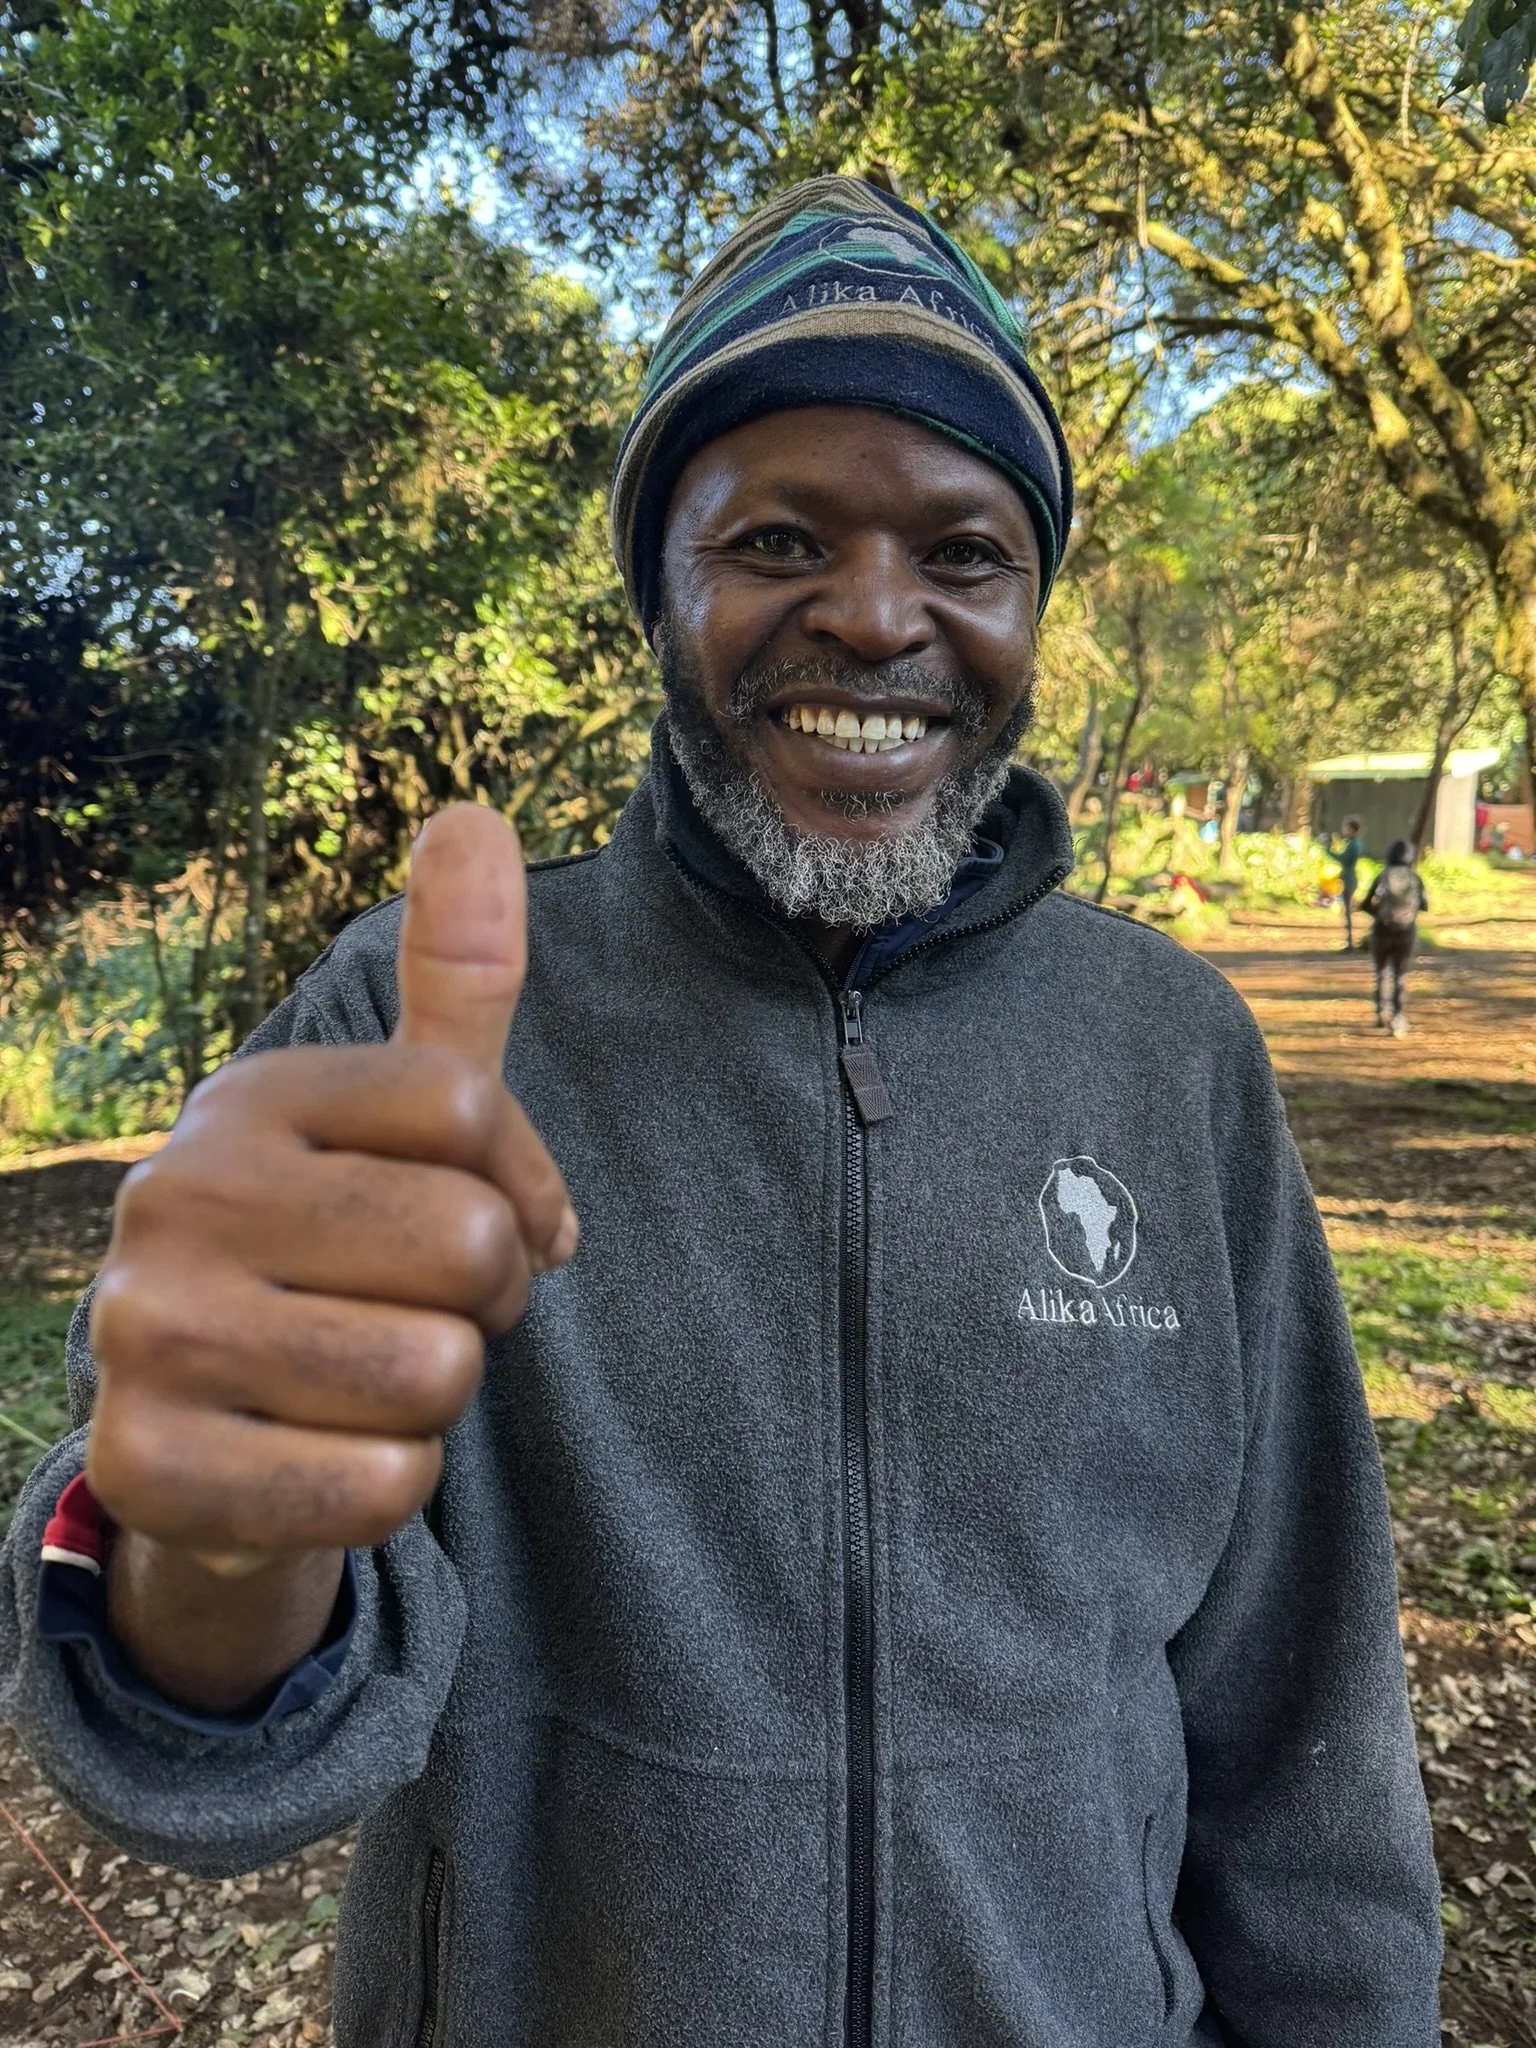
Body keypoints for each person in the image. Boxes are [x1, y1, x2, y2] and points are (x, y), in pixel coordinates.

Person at [1, 178, 1440, 2048]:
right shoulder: (413, 1039)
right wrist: (208, 1542)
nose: (877, 614)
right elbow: (200, 1725)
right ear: (659, 593)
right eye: (777, 537)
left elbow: (1304, 1719)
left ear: (1029, 608)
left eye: (965, 551)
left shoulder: (1172, 1053)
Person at [1362, 836, 1429, 1037]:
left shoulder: (1383, 875)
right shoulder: (1414, 877)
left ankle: (1380, 1012)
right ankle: (1398, 1015)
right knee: (1400, 975)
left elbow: (1366, 903)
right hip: (1406, 932)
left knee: (1381, 973)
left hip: (1382, 930)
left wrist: (1379, 915)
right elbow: (1424, 905)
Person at [1335, 814, 1364, 948]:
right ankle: (1349, 941)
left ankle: (1350, 942)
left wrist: (1327, 850)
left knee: (1347, 912)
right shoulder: (1355, 843)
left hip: (1349, 879)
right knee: (1346, 911)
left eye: (1346, 828)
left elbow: (1342, 859)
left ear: (1352, 829)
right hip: (1349, 878)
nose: (1343, 830)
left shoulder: (1353, 844)